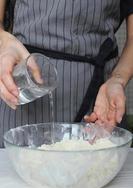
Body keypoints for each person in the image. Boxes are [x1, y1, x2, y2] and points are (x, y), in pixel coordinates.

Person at [0, 0, 133, 147]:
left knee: (100, 166)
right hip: (24, 86)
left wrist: (118, 79)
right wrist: (2, 42)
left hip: (100, 103)